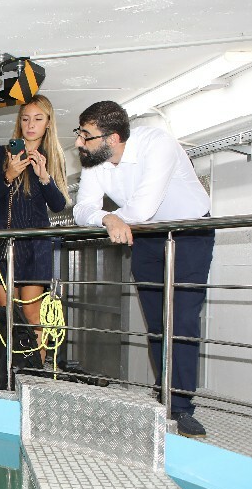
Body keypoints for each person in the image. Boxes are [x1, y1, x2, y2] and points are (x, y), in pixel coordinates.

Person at [72, 100, 214, 438]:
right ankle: (165, 389)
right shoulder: (94, 161)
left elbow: (143, 208)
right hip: (145, 236)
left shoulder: (158, 144)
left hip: (189, 232)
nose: (79, 142)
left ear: (113, 138)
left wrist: (112, 218)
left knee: (181, 320)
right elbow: (81, 210)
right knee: (156, 320)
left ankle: (181, 406)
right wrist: (107, 218)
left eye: (86, 135)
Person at [0, 95, 70, 365]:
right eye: (25, 119)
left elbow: (58, 204)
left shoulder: (52, 157)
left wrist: (44, 177)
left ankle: (36, 371)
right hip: (3, 242)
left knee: (32, 314)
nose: (30, 125)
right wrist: (9, 174)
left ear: (48, 123)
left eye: (38, 119)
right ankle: (10, 371)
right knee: (7, 313)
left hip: (35, 244)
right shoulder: (2, 153)